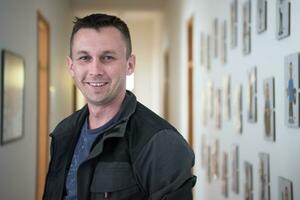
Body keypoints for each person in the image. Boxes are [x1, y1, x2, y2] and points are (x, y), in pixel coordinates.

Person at [43, 13, 196, 200]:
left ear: (129, 65)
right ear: (71, 66)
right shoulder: (63, 132)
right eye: (84, 58)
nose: (95, 71)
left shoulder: (160, 143)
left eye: (107, 57)